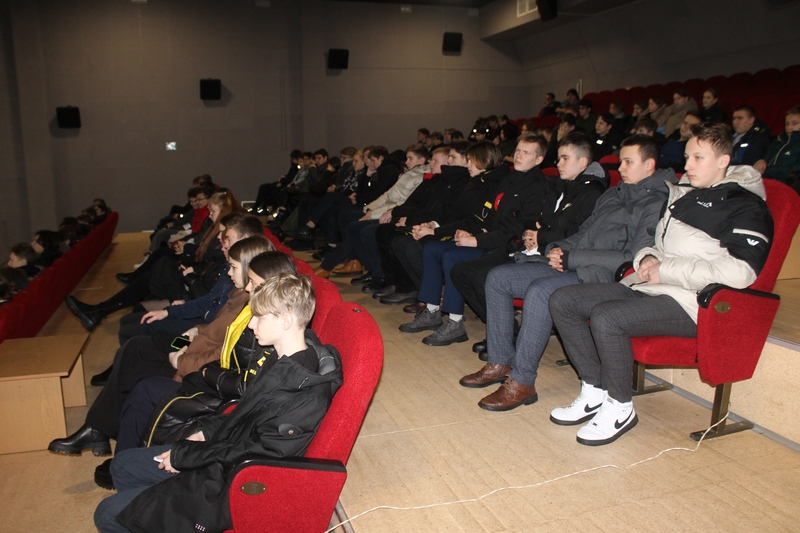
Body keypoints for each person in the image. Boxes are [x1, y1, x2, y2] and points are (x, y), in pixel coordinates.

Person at [548, 121, 773, 446]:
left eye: (698, 158)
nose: (687, 165)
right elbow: (657, 242)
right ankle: (594, 390)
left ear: (723, 161)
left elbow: (741, 272)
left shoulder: (746, 205)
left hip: (694, 302)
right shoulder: (684, 194)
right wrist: (648, 257)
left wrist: (665, 270)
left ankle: (620, 406)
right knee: (564, 300)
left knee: (608, 317)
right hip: (652, 286)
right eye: (687, 157)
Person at [93, 273, 342, 533]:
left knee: (107, 513)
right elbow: (245, 417)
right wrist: (205, 431)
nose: (251, 324)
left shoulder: (303, 392)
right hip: (220, 454)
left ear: (286, 321)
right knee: (123, 465)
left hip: (227, 482)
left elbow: (257, 454)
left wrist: (185, 456)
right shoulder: (279, 359)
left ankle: (149, 514)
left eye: (259, 317)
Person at [460, 135, 676, 411]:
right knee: (499, 278)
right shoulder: (614, 194)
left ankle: (522, 381)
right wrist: (557, 248)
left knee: (540, 292)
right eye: (621, 161)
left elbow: (633, 257)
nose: (620, 168)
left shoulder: (657, 202)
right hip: (576, 262)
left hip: (604, 275)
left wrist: (573, 257)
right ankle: (500, 362)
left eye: (628, 162)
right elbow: (584, 232)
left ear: (649, 165)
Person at [47, 236, 273, 457]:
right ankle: (99, 429)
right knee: (137, 347)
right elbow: (211, 325)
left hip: (190, 364)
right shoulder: (237, 294)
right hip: (189, 345)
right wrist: (192, 333)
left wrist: (180, 359)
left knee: (137, 357)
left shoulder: (248, 306)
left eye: (232, 267)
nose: (228, 272)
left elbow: (221, 354)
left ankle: (99, 430)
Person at [451, 132, 605, 352]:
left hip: (546, 254)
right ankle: (503, 332)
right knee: (461, 271)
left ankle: (506, 335)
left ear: (582, 162)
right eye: (517, 151)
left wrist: (538, 235)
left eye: (565, 158)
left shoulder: (585, 192)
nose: (559, 163)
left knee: (484, 276)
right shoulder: (556, 186)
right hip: (526, 245)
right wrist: (530, 232)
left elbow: (577, 232)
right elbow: (533, 221)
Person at [398, 137, 543, 346]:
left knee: (452, 256)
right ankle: (431, 310)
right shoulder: (507, 181)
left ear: (539, 159)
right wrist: (464, 232)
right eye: (517, 150)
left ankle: (456, 321)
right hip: (489, 238)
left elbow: (514, 230)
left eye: (525, 152)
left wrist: (476, 237)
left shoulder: (528, 186)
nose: (518, 155)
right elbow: (486, 218)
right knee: (432, 249)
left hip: (504, 247)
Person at [754, 105, 800, 188]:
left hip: (788, 187)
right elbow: (765, 159)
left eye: (795, 123)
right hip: (765, 184)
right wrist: (762, 161)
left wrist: (767, 170)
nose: (789, 127)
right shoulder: (778, 141)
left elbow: (794, 173)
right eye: (786, 124)